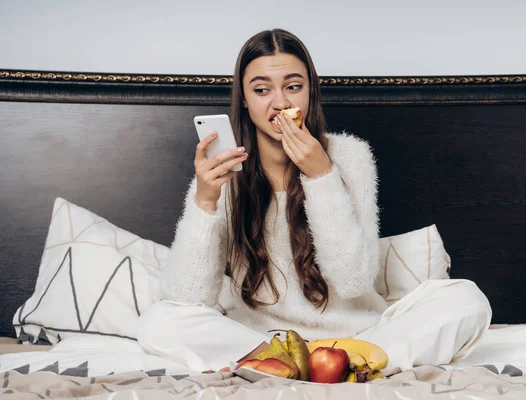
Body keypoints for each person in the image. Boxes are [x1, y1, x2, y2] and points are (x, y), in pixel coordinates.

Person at [138, 28, 492, 376]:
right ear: (244, 100)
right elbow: (187, 297)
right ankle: (295, 365)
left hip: (357, 336)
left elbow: (352, 281)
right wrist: (205, 199)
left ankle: (348, 361)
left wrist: (321, 176)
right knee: (159, 320)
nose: (280, 103)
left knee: (466, 299)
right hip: (265, 342)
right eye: (262, 90)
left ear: (311, 92)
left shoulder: (350, 156)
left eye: (293, 86)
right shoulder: (224, 169)